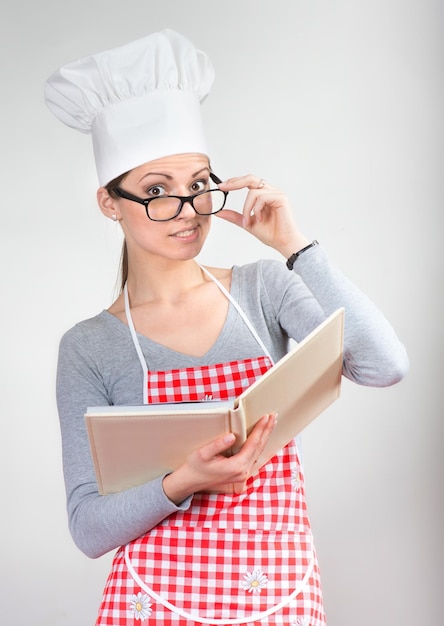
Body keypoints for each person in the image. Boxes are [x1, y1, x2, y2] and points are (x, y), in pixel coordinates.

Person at [45, 29, 409, 626]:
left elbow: (384, 365)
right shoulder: (90, 346)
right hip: (151, 600)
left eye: (199, 186)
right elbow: (88, 528)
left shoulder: (267, 289)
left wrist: (296, 246)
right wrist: (183, 480)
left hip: (276, 592)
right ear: (110, 203)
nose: (188, 212)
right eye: (157, 192)